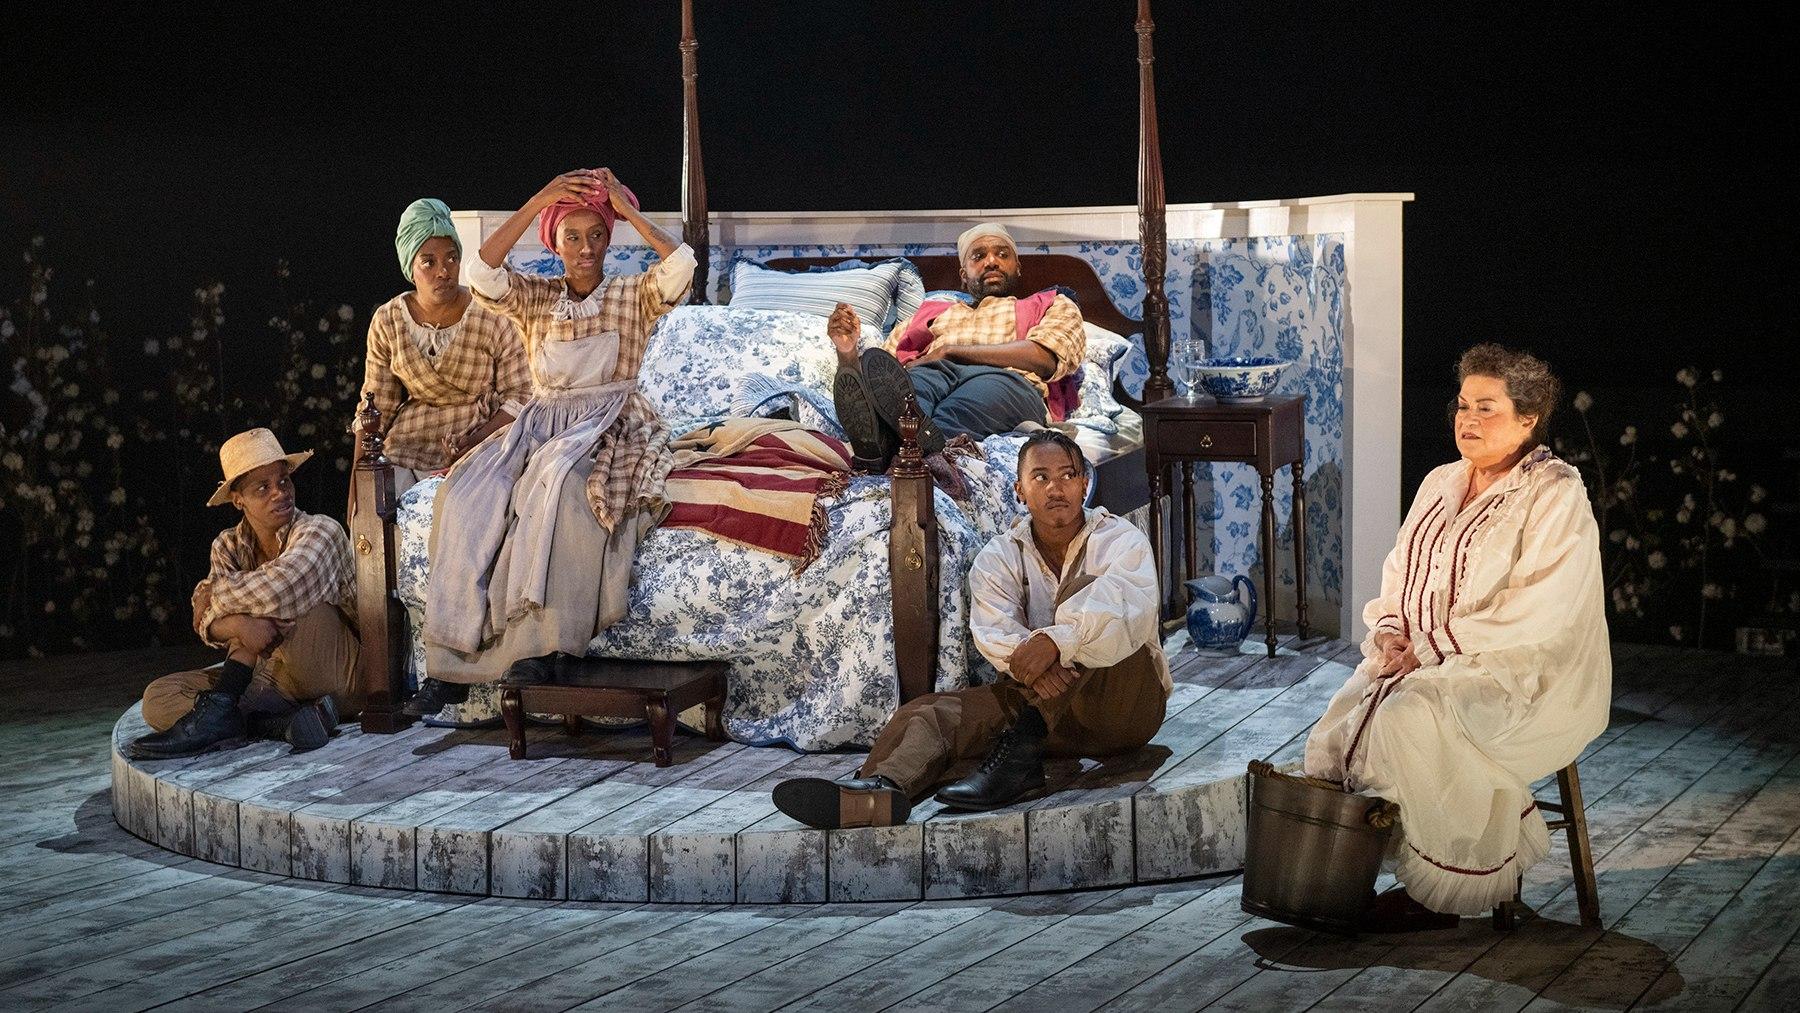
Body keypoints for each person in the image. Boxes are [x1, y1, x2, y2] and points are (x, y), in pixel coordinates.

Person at [1302, 343, 1611, 929]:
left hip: (1530, 675)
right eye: (1463, 406)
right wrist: (1394, 632)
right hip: (1431, 663)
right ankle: (1364, 877)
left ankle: (1444, 891)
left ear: (1528, 418)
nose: (1467, 420)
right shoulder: (1442, 482)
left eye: (1486, 409)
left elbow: (1541, 609)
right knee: (1342, 726)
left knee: (1409, 719)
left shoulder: (1553, 492)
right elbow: (1401, 571)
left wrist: (1434, 645)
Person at [771, 430, 1169, 827]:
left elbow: (1125, 606)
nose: (1056, 488)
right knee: (930, 711)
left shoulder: (1120, 540)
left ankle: (1018, 759)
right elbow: (996, 635)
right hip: (1048, 716)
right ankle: (879, 789)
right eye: (1041, 478)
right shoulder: (999, 556)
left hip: (1122, 707)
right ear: (1019, 490)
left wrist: (1057, 640)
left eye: (1068, 475)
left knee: (1091, 614)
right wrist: (1038, 654)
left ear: (1085, 484)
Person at [412, 168, 695, 715]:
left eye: (597, 236)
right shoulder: (536, 298)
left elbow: (680, 264)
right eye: (572, 237)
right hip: (541, 421)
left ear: (610, 240)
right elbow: (483, 270)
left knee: (562, 485)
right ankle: (449, 661)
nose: (585, 249)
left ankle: (546, 645)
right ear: (555, 243)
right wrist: (540, 196)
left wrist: (625, 208)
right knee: (468, 491)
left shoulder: (633, 295)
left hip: (608, 417)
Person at [127, 429, 359, 759]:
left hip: (336, 672)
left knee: (278, 602)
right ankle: (276, 723)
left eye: (283, 481)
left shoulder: (319, 529)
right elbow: (209, 628)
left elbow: (281, 590)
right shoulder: (227, 545)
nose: (279, 493)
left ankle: (232, 718)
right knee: (159, 697)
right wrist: (239, 627)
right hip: (276, 678)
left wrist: (211, 596)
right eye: (262, 488)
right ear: (239, 500)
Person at [828, 223, 1087, 470]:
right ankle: (887, 441)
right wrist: (847, 352)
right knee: (906, 398)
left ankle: (896, 454)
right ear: (964, 275)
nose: (991, 261)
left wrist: (950, 351)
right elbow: (882, 377)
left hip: (1005, 379)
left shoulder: (1051, 304)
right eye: (978, 256)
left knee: (951, 416)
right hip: (930, 372)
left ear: (1017, 267)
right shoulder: (927, 314)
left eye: (1002, 254)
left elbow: (1044, 357)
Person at [357, 198, 529, 491]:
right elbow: (375, 408)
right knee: (383, 504)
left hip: (480, 445)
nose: (443, 271)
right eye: (429, 262)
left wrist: (476, 440)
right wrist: (357, 488)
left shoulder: (491, 313)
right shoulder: (388, 320)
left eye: (452, 258)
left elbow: (520, 395)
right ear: (410, 266)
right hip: (407, 449)